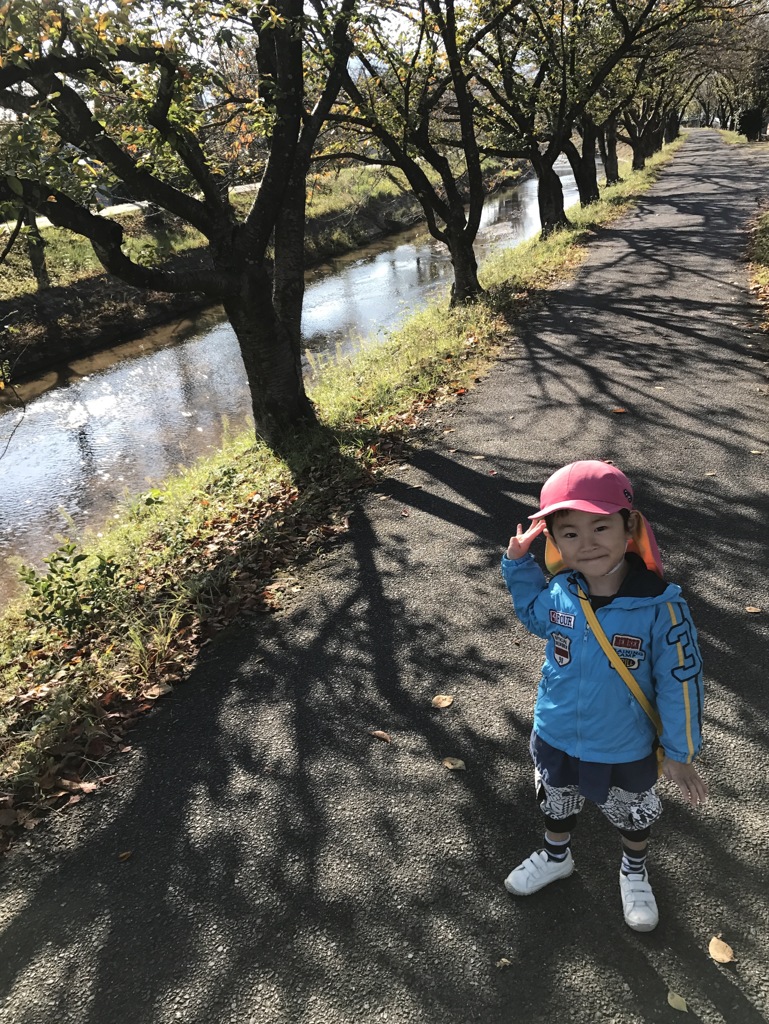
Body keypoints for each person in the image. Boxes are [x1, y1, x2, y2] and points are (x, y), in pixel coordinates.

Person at [500, 460, 707, 932]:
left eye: (600, 527)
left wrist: (679, 753)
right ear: (555, 540)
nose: (587, 543)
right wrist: (517, 564)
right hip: (555, 731)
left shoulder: (662, 608)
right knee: (555, 799)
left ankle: (633, 870)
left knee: (633, 813)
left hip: (623, 745)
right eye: (570, 533)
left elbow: (682, 684)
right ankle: (556, 857)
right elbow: (534, 616)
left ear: (629, 526)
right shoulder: (561, 590)